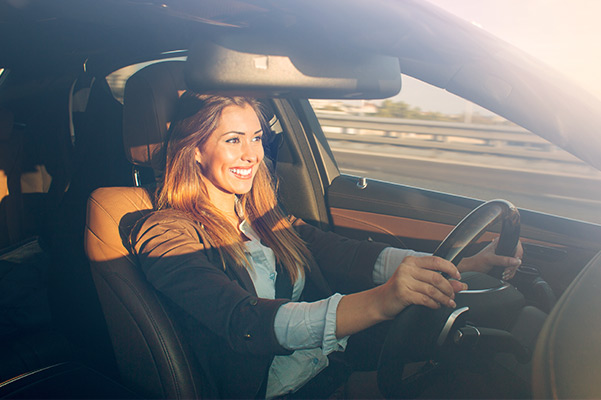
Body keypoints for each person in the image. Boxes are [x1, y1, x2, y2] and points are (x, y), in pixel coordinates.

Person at [130, 92, 523, 399]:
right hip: (279, 392)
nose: (252, 155)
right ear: (195, 150)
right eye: (233, 140)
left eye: (256, 138)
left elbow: (345, 253)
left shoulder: (262, 215)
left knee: (480, 374)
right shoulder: (166, 234)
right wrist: (381, 301)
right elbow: (244, 322)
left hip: (329, 367)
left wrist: (465, 261)